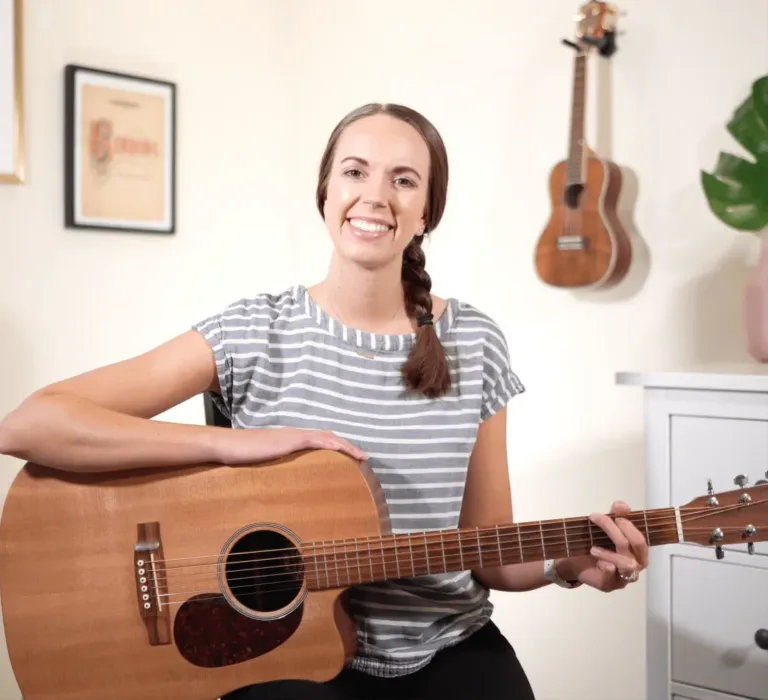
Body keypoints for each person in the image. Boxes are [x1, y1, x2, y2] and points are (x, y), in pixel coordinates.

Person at [0, 102, 649, 699]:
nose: (373, 195)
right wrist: (240, 441)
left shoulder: (473, 342)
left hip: (447, 647)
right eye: (355, 171)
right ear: (325, 192)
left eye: (403, 179)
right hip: (279, 659)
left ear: (427, 211)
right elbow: (31, 424)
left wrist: (567, 564)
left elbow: (486, 551)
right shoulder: (256, 331)